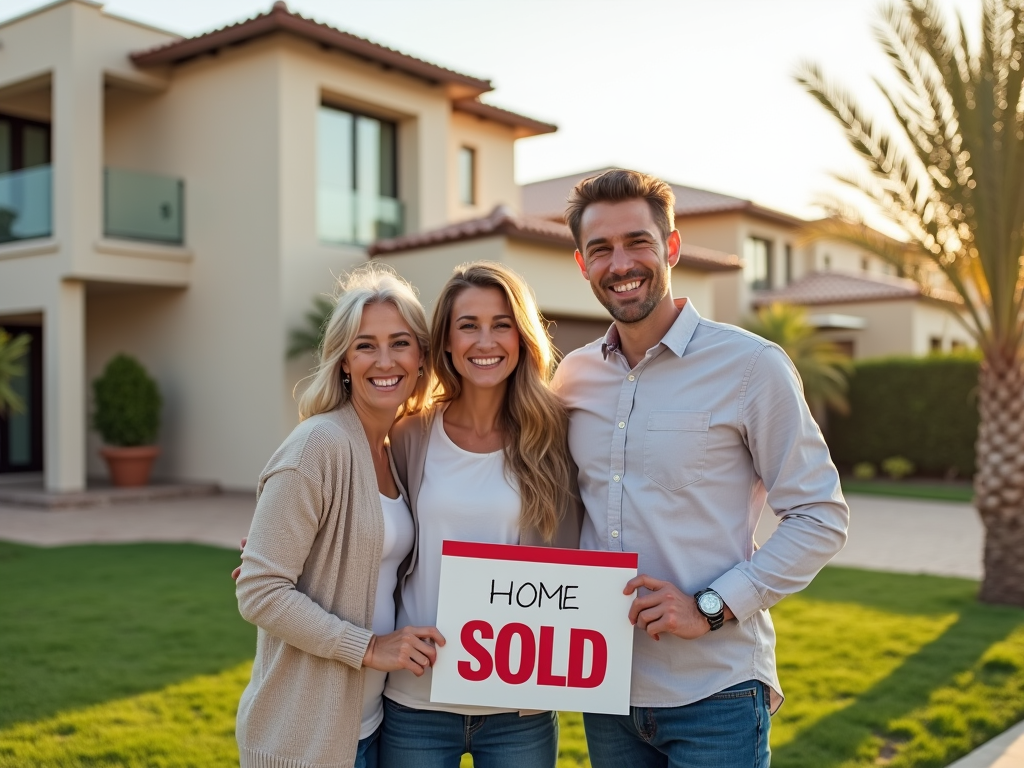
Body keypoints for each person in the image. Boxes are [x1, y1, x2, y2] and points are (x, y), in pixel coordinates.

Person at [552, 169, 850, 768]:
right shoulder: (573, 377)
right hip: (604, 687)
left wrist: (710, 607)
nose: (621, 263)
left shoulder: (750, 366)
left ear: (672, 248)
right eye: (601, 249)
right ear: (582, 265)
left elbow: (819, 515)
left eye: (638, 242)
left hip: (714, 693)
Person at [234, 264, 445, 768]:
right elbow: (260, 592)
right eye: (365, 344)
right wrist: (370, 647)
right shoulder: (318, 445)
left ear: (420, 357)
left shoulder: (395, 449)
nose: (384, 359)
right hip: (305, 737)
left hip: (370, 724)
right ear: (344, 360)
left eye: (399, 342)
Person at [380, 261, 581, 768]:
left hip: (520, 707)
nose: (485, 340)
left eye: (501, 324)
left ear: (521, 338)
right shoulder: (411, 435)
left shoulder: (556, 436)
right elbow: (372, 521)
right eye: (468, 325)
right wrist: (292, 547)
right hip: (417, 697)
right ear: (446, 341)